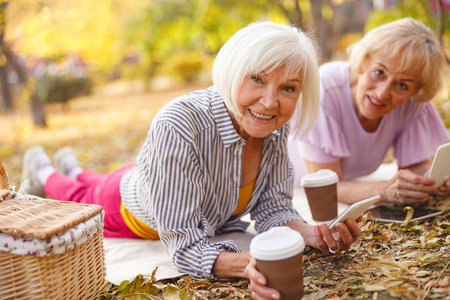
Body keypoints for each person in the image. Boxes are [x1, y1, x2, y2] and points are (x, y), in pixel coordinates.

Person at [21, 21, 361, 299]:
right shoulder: (179, 122)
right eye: (256, 78)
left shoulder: (270, 126)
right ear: (233, 70)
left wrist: (313, 234)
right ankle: (46, 170)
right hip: (127, 207)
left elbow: (273, 208)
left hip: (154, 173)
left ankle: (74, 167)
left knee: (87, 178)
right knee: (76, 196)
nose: (270, 102)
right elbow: (184, 246)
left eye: (288, 88)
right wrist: (249, 265)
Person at [289, 17, 450, 205]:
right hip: (297, 193)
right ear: (365, 60)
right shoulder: (324, 89)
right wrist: (383, 190)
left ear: (415, 90)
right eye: (379, 72)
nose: (382, 93)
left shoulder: (411, 103)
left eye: (401, 85)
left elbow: (413, 167)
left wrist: (435, 181)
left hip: (350, 187)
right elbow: (326, 189)